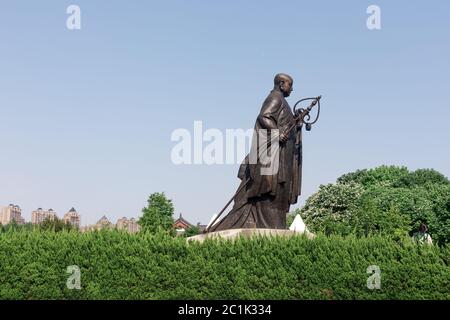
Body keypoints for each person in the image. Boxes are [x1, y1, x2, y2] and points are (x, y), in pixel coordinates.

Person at [209, 73, 302, 231]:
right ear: (281, 84)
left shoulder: (283, 102)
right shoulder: (275, 98)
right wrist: (277, 133)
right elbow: (264, 117)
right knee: (270, 190)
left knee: (280, 192)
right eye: (289, 85)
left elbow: (285, 125)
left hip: (283, 156)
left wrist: (296, 122)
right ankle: (266, 223)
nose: (292, 89)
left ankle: (275, 224)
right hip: (273, 157)